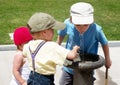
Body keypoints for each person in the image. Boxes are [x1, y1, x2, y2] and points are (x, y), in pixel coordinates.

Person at [57, 2, 112, 85]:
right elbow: (61, 34)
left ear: (92, 20)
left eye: (85, 25)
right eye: (78, 25)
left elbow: (104, 43)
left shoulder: (96, 30)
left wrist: (107, 59)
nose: (81, 28)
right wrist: (57, 46)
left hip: (88, 65)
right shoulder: (67, 24)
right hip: (70, 65)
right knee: (63, 83)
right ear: (71, 19)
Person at [22, 12, 80, 85]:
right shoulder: (51, 46)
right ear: (44, 32)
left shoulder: (29, 45)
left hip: (32, 78)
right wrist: (75, 48)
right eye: (52, 30)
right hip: (45, 81)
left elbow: (24, 54)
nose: (53, 32)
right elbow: (71, 55)